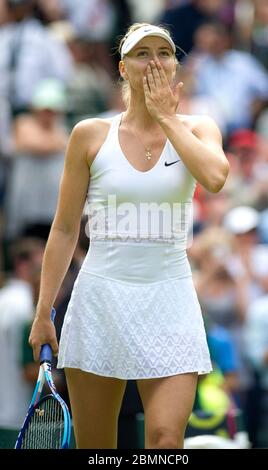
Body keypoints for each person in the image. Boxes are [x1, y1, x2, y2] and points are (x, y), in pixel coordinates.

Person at [28, 23, 229, 449]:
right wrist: (44, 311)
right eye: (142, 53)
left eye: (164, 52)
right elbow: (64, 228)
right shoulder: (89, 134)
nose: (154, 61)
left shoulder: (198, 128)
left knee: (165, 442)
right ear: (123, 67)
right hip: (99, 300)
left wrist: (165, 118)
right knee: (97, 448)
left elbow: (214, 177)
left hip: (171, 297)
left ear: (176, 65)